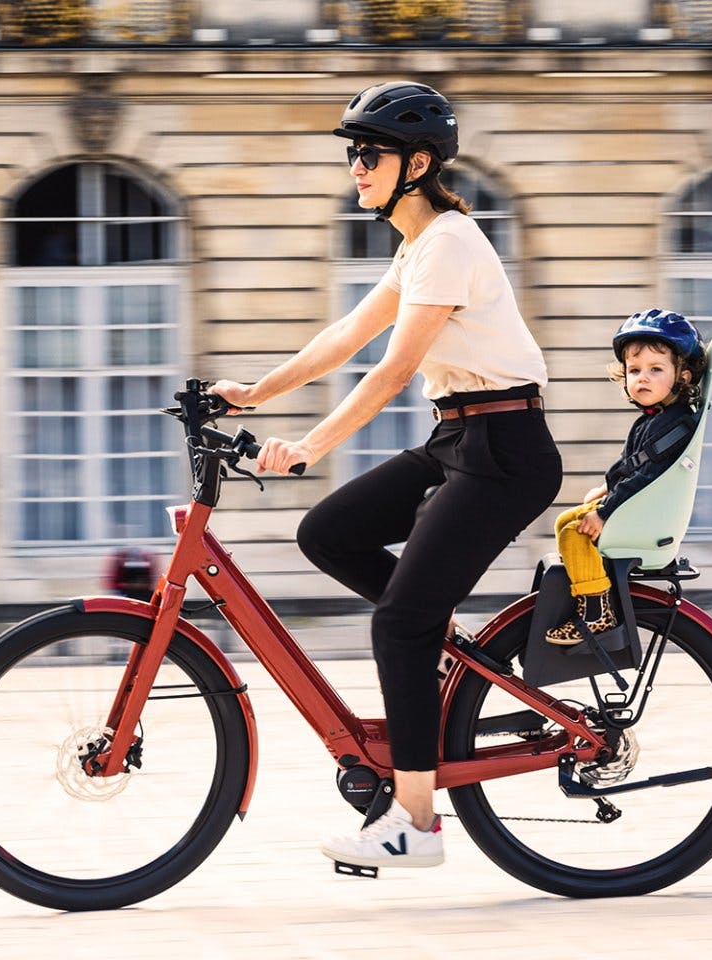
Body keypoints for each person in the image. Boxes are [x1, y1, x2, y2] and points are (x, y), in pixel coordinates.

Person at [210, 80, 561, 872]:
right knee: (327, 532)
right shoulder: (416, 246)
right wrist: (252, 393)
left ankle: (415, 822)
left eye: (369, 153)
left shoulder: (449, 241)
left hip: (506, 451)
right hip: (459, 438)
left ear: (419, 162)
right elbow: (347, 334)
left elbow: (396, 367)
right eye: (352, 153)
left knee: (396, 623)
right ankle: (438, 644)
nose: (356, 167)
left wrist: (311, 444)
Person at [546, 309, 706, 645]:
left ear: (684, 377)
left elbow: (647, 477)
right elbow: (630, 466)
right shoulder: (654, 419)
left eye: (655, 369)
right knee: (565, 522)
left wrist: (604, 513)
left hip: (640, 513)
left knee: (575, 533)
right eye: (634, 370)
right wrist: (606, 489)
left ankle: (596, 613)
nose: (642, 378)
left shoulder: (676, 424)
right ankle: (588, 594)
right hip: (634, 507)